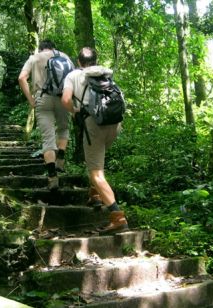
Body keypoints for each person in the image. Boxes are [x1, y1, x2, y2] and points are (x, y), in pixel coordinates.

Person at [61, 47, 128, 235]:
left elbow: (66, 99)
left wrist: (74, 111)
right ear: (96, 60)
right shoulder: (104, 74)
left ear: (78, 61)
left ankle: (117, 216)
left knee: (96, 173)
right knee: (97, 161)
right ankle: (95, 195)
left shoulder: (73, 75)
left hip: (94, 125)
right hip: (114, 124)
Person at [18, 40, 71, 191]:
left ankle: (52, 176)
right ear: (54, 47)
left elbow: (21, 78)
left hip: (42, 98)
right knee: (63, 128)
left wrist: (31, 99)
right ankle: (60, 156)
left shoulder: (35, 58)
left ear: (41, 48)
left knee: (48, 138)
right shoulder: (65, 57)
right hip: (62, 98)